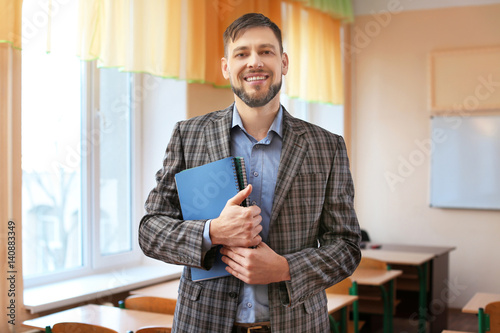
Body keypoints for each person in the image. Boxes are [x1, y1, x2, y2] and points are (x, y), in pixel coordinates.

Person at [139, 13, 361, 333]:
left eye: (266, 51)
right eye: (241, 53)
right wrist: (212, 231)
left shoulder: (327, 147)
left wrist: (286, 269)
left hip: (296, 324)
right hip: (204, 324)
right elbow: (150, 231)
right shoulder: (188, 136)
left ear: (283, 62)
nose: (254, 62)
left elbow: (347, 246)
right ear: (226, 67)